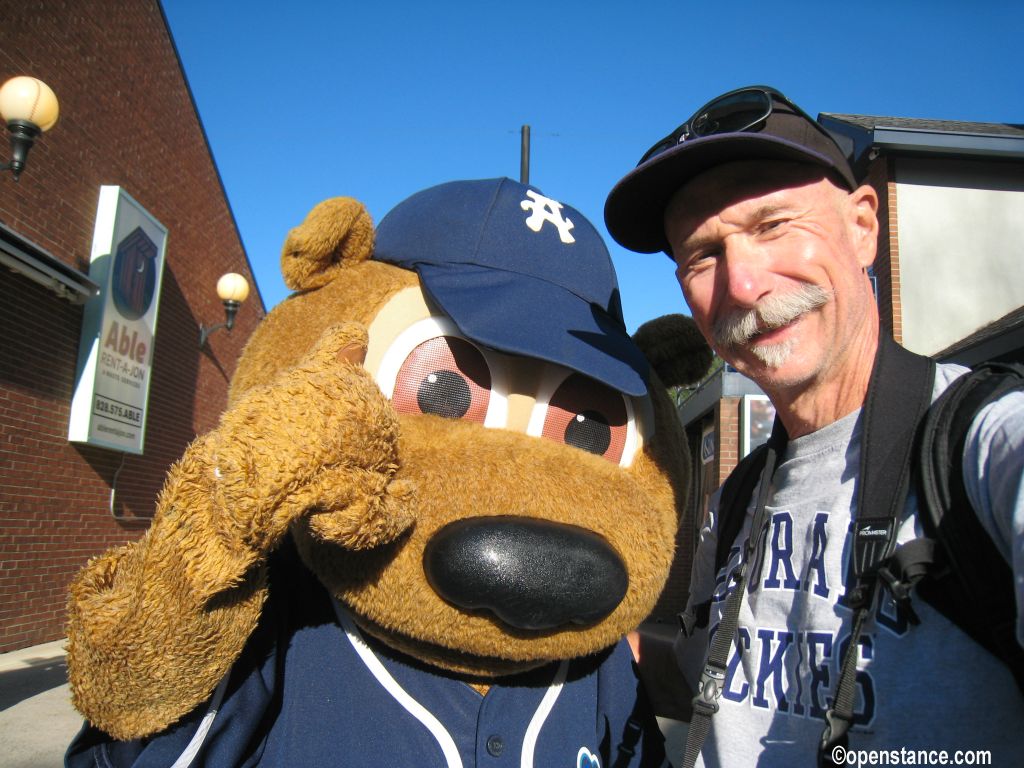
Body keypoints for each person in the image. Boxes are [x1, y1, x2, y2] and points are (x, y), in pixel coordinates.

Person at [604, 85, 1024, 766]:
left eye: (772, 224)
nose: (742, 284)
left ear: (863, 226)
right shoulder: (738, 497)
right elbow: (709, 682)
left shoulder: (980, 444)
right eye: (702, 256)